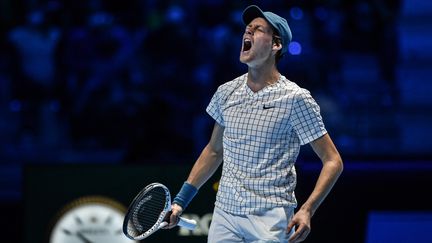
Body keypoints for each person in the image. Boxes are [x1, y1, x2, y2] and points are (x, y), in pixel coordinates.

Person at [166, 5, 343, 243]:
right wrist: (180, 202)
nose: (247, 34)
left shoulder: (296, 98)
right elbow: (214, 150)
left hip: (270, 217)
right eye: (247, 29)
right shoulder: (226, 92)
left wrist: (307, 209)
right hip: (225, 214)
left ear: (276, 45)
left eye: (257, 30)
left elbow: (333, 161)